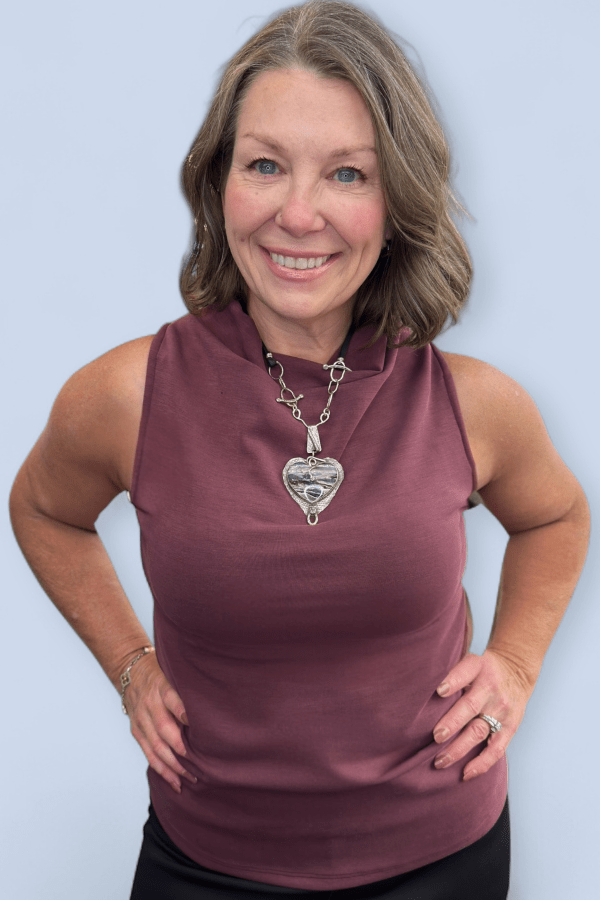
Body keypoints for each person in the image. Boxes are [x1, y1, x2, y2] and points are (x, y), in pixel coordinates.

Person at [9, 1, 590, 898]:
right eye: (266, 165)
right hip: (206, 860)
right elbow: (43, 509)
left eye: (348, 174)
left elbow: (556, 514)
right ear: (219, 184)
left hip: (445, 858)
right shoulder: (128, 396)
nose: (299, 212)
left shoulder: (473, 403)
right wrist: (130, 666)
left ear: (395, 201)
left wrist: (514, 664)